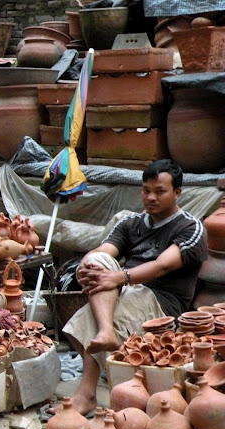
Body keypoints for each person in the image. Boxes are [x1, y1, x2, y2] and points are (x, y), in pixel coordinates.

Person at [57, 159, 208, 415]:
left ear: (177, 192)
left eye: (160, 191)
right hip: (127, 290)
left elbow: (162, 265)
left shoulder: (190, 227)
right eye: (146, 190)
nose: (151, 197)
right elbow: (104, 251)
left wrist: (119, 278)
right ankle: (106, 334)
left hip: (162, 302)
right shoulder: (131, 223)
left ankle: (87, 392)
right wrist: (86, 265)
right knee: (97, 262)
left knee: (94, 312)